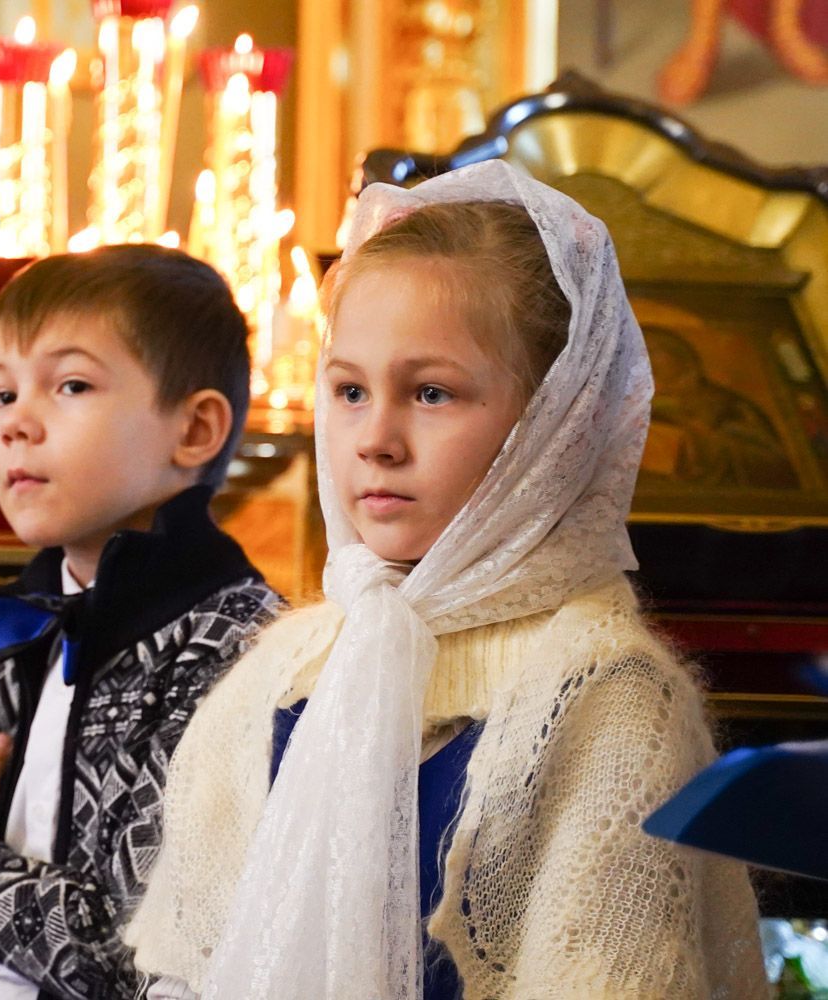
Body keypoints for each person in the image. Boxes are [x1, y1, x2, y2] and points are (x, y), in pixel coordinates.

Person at [125, 161, 768, 999]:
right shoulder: (284, 668)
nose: (375, 439)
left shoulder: (607, 695)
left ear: (552, 426)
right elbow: (189, 964)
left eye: (431, 393)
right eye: (349, 390)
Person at [0, 244, 283, 1000]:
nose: (16, 425)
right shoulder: (30, 619)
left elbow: (129, 955)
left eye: (71, 385)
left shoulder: (234, 646)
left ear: (194, 430)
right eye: (2, 394)